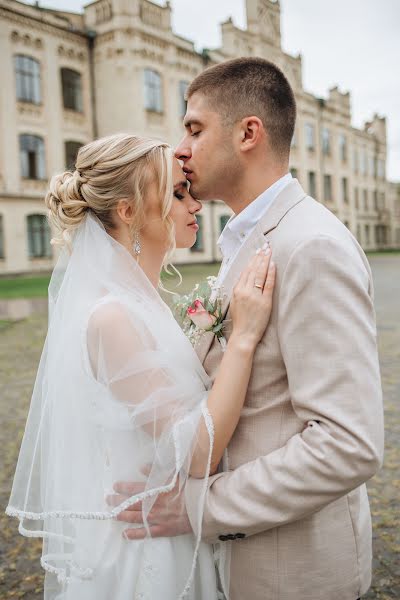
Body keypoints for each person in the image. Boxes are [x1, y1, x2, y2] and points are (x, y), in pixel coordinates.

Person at [116, 58, 384, 600]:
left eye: (194, 128)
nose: (181, 149)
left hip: (293, 574)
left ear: (248, 133)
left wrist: (199, 507)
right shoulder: (251, 240)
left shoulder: (313, 247)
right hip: (241, 565)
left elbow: (348, 444)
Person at [6, 133, 276, 600]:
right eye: (176, 193)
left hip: (168, 527)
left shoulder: (138, 302)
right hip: (145, 551)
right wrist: (244, 339)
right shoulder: (112, 317)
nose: (194, 204)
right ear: (128, 211)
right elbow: (195, 453)